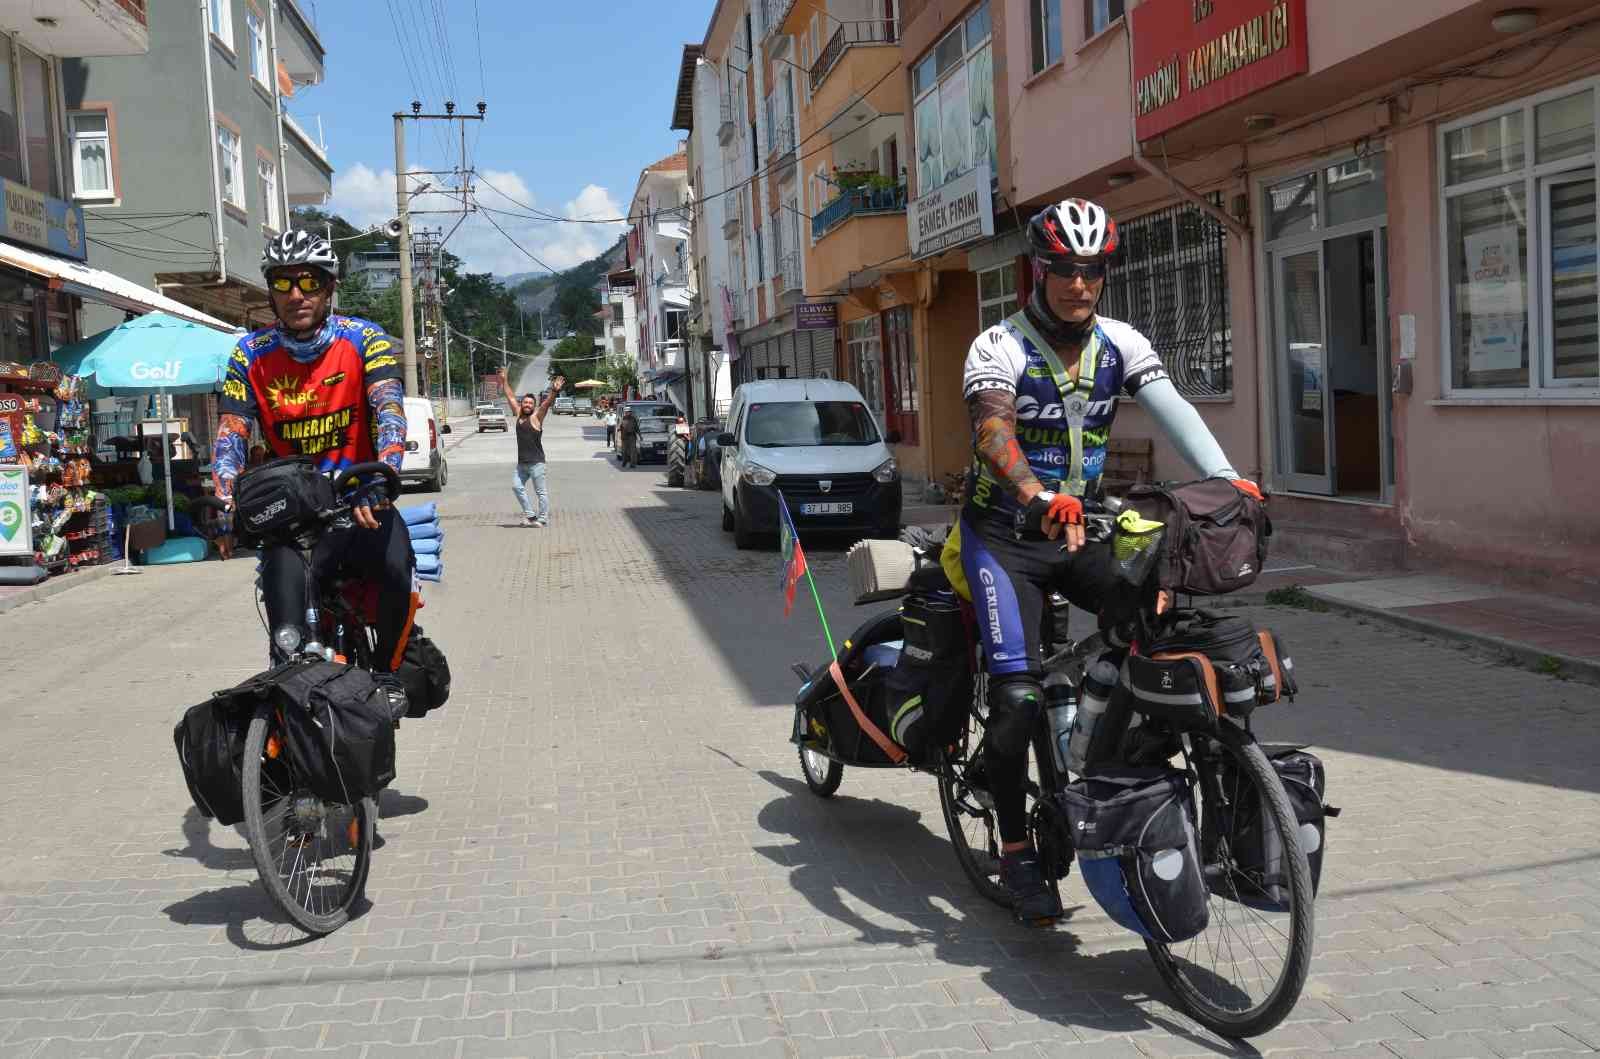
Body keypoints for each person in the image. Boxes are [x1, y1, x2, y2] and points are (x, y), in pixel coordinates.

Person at [951, 198, 1263, 923]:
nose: (1079, 284)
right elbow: (994, 432)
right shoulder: (997, 344)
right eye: (1064, 268)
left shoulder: (1119, 343)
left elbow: (1171, 405)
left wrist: (1229, 477)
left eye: (1092, 271)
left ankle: (1108, 766)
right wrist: (1033, 494)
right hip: (1005, 536)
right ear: (1041, 267)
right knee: (1017, 697)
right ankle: (1017, 847)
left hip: (1079, 529)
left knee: (1154, 621)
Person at [212, 228, 415, 674]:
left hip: (359, 497)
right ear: (270, 290)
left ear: (330, 287)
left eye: (310, 281)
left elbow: (389, 412)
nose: (297, 294)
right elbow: (231, 435)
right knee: (285, 634)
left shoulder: (365, 339)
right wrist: (225, 498)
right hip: (292, 512)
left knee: (398, 571)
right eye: (283, 282)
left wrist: (381, 476)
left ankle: (386, 674)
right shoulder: (248, 355)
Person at [500, 368, 563, 527]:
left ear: (534, 406)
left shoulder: (536, 417)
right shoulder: (518, 414)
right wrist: (504, 380)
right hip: (521, 464)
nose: (527, 405)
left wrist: (554, 391)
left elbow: (547, 404)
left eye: (530, 403)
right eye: (525, 402)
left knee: (541, 492)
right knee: (516, 487)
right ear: (522, 404)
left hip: (537, 463)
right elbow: (510, 396)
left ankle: (542, 518)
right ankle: (530, 515)